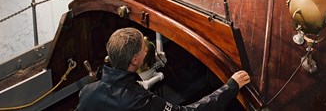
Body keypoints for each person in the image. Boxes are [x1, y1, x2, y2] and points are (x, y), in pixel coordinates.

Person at [77, 27, 251, 110]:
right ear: (135, 59)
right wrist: (230, 87)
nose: (147, 49)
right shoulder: (138, 101)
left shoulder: (87, 92)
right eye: (143, 48)